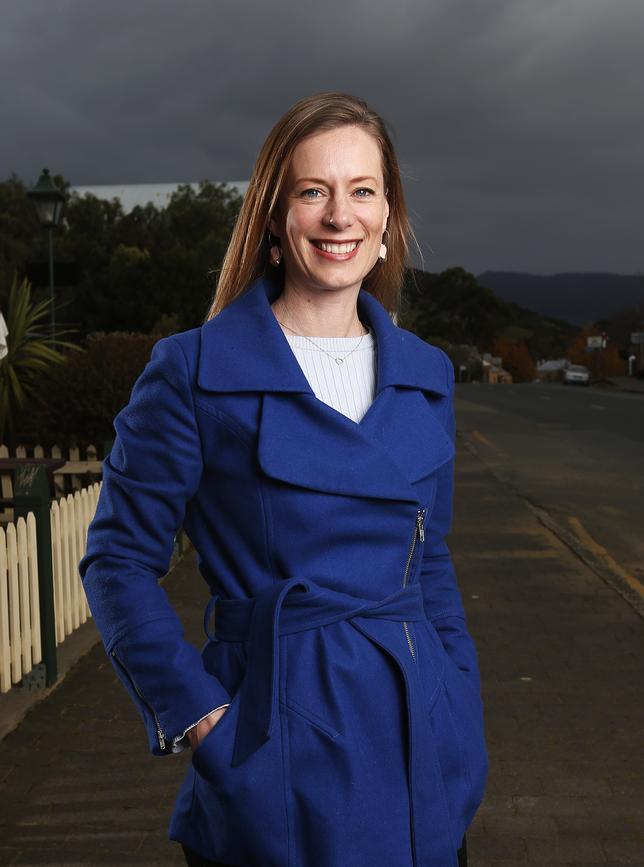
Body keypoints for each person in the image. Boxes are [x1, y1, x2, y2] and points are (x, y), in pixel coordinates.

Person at [78, 91, 488, 867]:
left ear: (388, 215)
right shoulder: (194, 371)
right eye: (313, 191)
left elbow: (428, 561)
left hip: (421, 749)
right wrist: (205, 721)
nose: (341, 216)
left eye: (363, 191)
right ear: (273, 215)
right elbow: (117, 564)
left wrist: (456, 695)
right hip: (276, 755)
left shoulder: (428, 375)